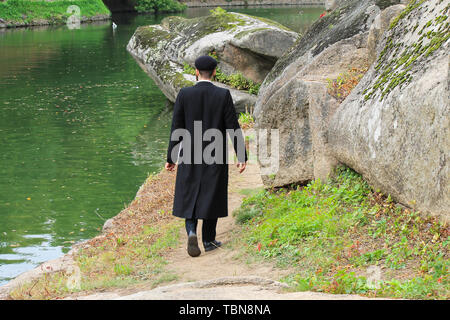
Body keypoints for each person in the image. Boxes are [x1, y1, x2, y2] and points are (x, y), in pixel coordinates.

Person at [165, 55, 248, 257]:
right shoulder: (222, 95)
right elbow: (232, 127)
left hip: (190, 152)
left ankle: (192, 231)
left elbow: (177, 128)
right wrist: (241, 155)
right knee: (212, 194)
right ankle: (209, 240)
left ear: (196, 72)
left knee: (190, 192)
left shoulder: (184, 94)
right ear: (214, 72)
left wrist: (171, 157)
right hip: (215, 152)